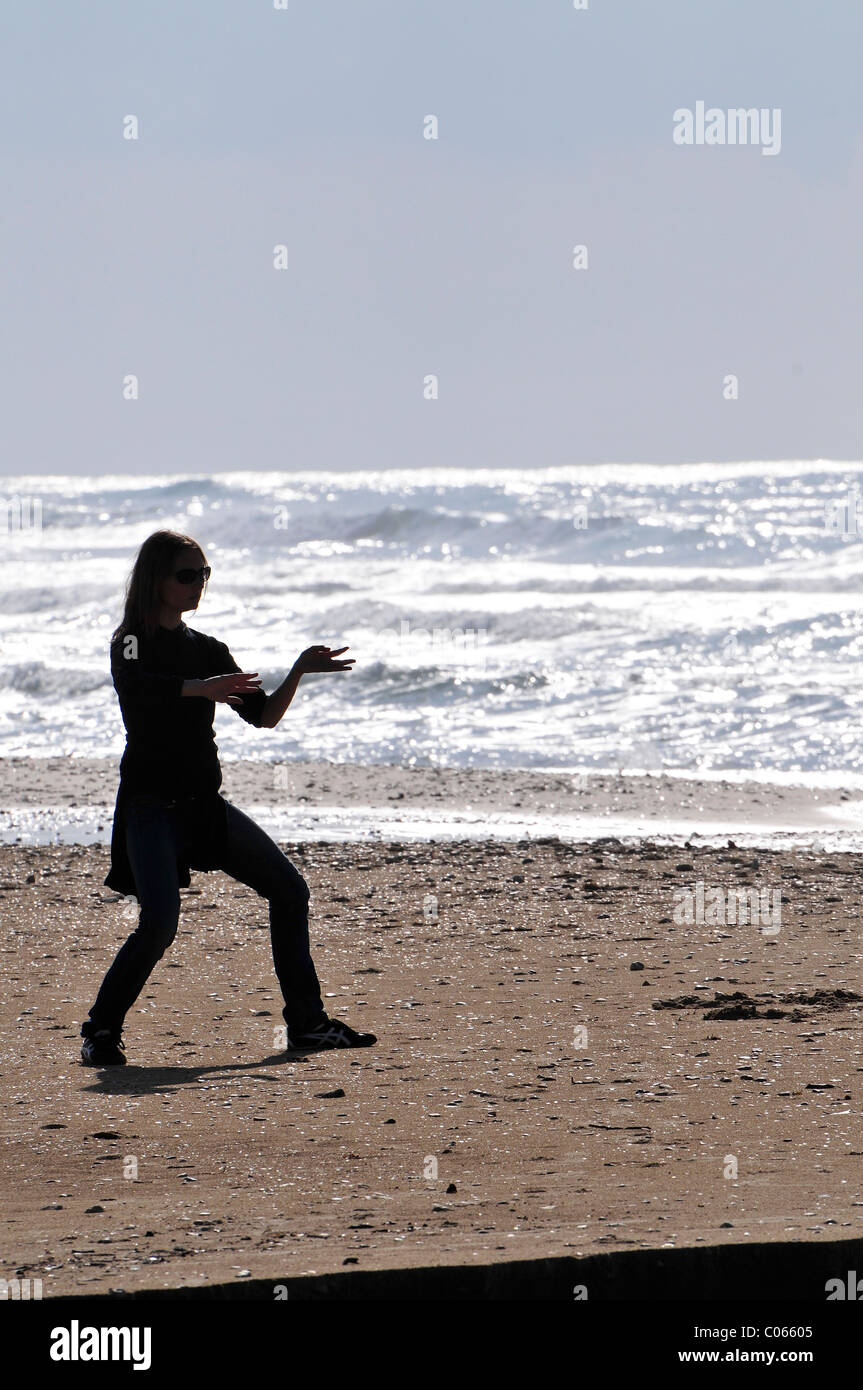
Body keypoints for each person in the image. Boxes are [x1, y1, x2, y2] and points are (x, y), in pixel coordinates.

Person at [80, 528, 376, 1065]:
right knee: (160, 923)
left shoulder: (208, 649)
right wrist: (202, 689)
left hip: (203, 807)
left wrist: (299, 673)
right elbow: (138, 690)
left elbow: (262, 716)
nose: (199, 585)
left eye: (204, 574)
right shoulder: (129, 639)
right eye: (187, 575)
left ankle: (308, 1025)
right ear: (157, 579)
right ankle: (100, 1030)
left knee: (290, 890)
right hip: (150, 808)